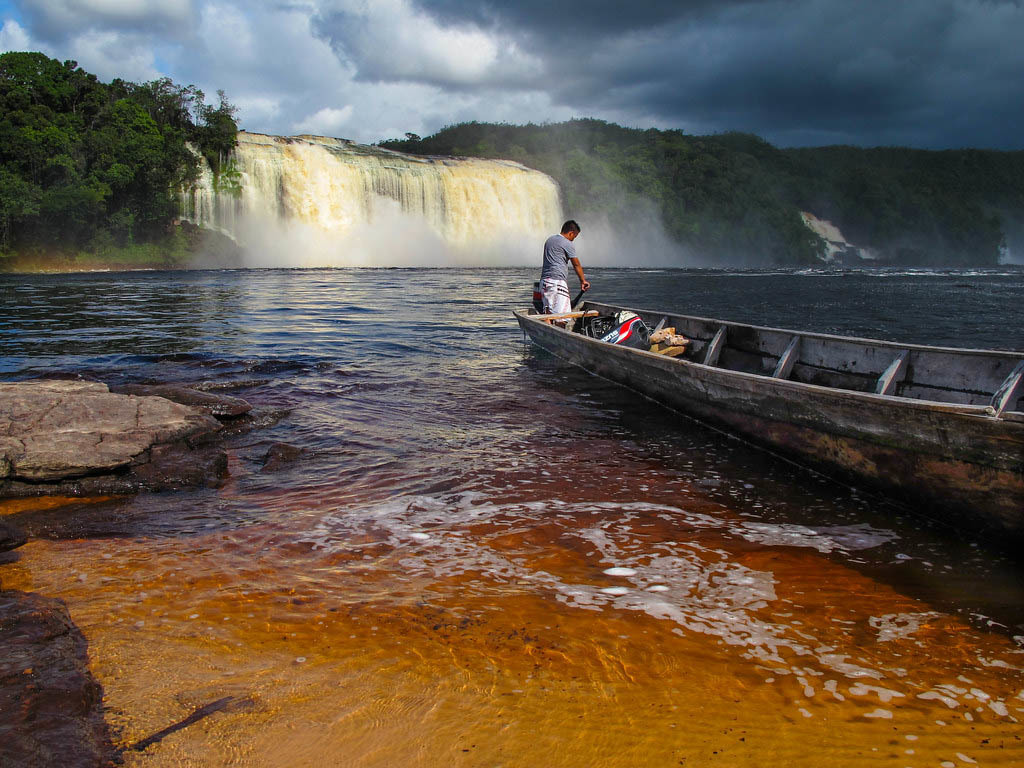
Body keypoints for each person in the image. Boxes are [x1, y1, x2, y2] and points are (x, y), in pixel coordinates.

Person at [538, 220, 590, 315]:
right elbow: (576, 264)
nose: (573, 240)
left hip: (544, 282)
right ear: (571, 233)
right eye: (574, 237)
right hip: (557, 282)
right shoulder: (567, 243)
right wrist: (583, 281)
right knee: (563, 316)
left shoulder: (549, 240)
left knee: (548, 314)